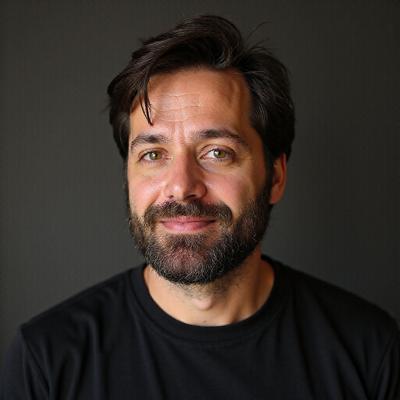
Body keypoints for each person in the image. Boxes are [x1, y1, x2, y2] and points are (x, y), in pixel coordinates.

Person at [1, 15, 399, 399]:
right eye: (153, 154)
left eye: (216, 152)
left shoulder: (369, 352)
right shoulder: (47, 361)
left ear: (275, 177)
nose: (181, 186)